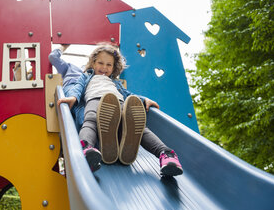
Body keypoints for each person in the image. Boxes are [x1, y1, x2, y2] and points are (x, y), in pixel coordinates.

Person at [57, 44, 183, 176]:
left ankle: (166, 155)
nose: (104, 67)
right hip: (95, 99)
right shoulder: (87, 76)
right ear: (93, 63)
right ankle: (86, 147)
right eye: (100, 63)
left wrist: (144, 100)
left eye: (109, 65)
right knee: (91, 120)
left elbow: (128, 94)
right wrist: (73, 98)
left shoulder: (115, 82)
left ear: (114, 67)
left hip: (119, 103)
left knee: (140, 128)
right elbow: (78, 87)